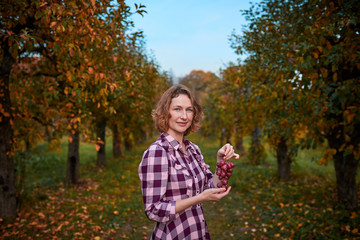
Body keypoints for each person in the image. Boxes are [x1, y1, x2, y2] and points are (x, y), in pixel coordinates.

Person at [138, 84, 239, 240]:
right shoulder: (158, 152)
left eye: (189, 110)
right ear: (166, 113)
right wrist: (199, 198)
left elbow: (210, 186)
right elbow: (153, 210)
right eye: (177, 109)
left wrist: (221, 161)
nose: (184, 116)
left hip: (197, 232)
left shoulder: (193, 149)